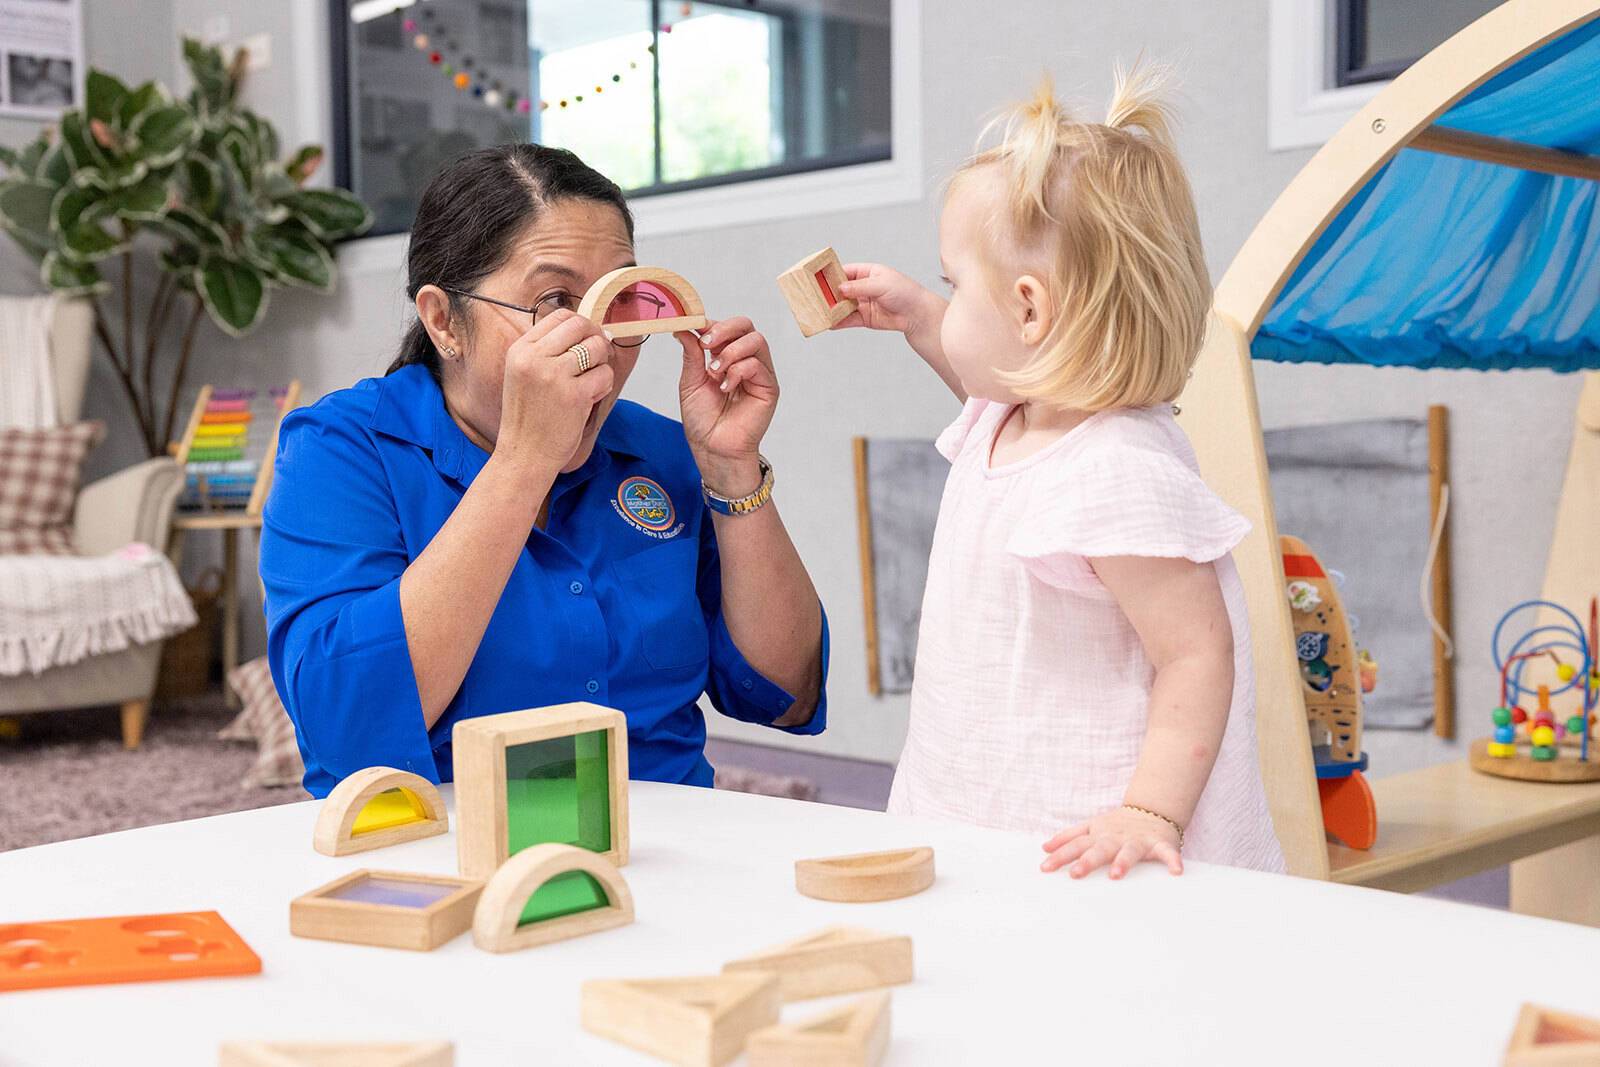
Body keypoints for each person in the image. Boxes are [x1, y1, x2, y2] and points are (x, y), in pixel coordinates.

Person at [261, 144, 828, 797]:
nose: (596, 346)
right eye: (554, 299)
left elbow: (785, 694)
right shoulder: (341, 447)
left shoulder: (662, 451)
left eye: (620, 301)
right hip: (441, 843)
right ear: (445, 321)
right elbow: (346, 726)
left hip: (670, 839)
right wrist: (523, 460)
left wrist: (733, 473)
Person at [837, 67, 1284, 877]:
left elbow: (1195, 653)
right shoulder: (1010, 416)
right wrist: (925, 317)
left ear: (1032, 310)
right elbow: (985, 372)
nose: (946, 301)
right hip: (979, 795)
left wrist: (1149, 809)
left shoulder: (1118, 469)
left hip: (1091, 833)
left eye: (953, 283)